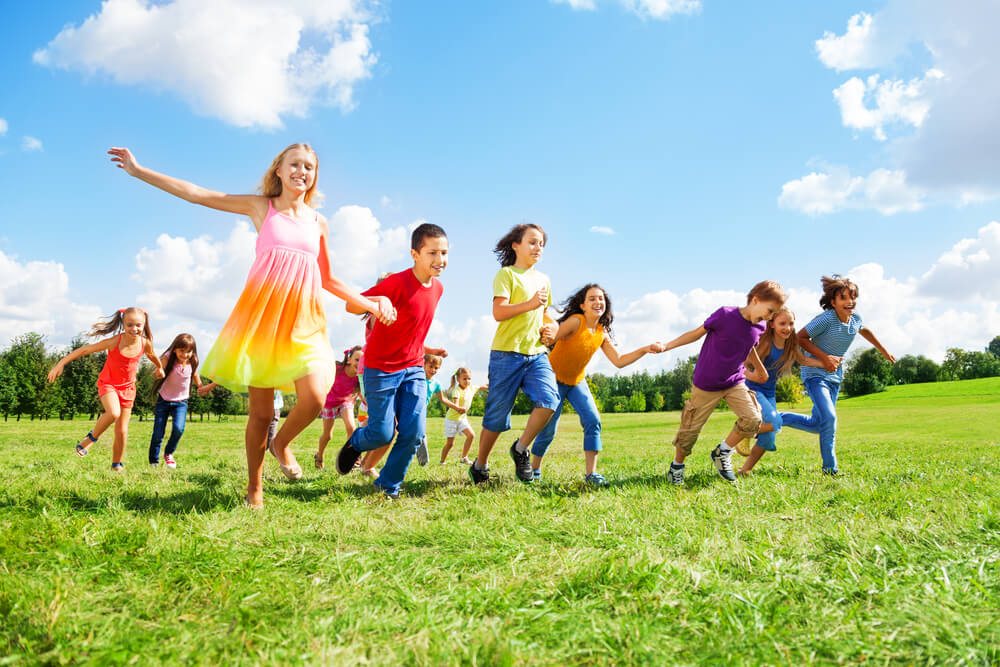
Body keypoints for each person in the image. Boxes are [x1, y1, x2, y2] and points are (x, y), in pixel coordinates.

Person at [108, 144, 395, 507]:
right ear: (279, 169)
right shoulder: (263, 207)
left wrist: (372, 303)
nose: (301, 172)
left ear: (314, 175)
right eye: (294, 164)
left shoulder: (319, 221)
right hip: (264, 321)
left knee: (315, 398)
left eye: (309, 167)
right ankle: (254, 489)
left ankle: (281, 443)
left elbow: (330, 279)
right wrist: (139, 171)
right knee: (260, 414)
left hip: (306, 321)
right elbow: (199, 194)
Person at [334, 223, 448, 499]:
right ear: (415, 254)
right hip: (381, 370)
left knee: (414, 432)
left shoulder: (438, 289)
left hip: (413, 369)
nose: (440, 260)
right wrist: (378, 300)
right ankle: (356, 443)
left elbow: (411, 330)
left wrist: (429, 349)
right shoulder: (396, 283)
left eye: (444, 253)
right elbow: (351, 305)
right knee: (382, 434)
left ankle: (388, 485)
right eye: (432, 252)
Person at [531, 284, 664, 485]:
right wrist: (546, 325)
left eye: (601, 298)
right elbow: (554, 336)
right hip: (554, 380)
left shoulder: (601, 332)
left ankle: (591, 474)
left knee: (593, 420)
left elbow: (618, 360)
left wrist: (644, 349)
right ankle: (534, 470)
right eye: (592, 298)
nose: (597, 302)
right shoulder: (577, 321)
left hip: (577, 382)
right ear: (583, 305)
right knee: (548, 429)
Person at [661, 281, 786, 484]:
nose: (770, 317)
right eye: (770, 310)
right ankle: (676, 467)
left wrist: (758, 368)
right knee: (689, 432)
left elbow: (749, 344)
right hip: (706, 383)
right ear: (756, 300)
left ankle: (722, 452)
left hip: (734, 381)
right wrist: (667, 345)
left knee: (753, 418)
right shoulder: (725, 315)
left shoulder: (760, 326)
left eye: (774, 313)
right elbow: (696, 333)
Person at [470, 223, 560, 485]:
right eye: (532, 242)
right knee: (496, 419)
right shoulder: (506, 275)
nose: (538, 247)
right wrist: (530, 303)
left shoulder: (544, 279)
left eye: (541, 244)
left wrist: (551, 328)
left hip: (536, 354)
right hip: (506, 354)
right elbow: (499, 312)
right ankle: (480, 465)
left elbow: (544, 313)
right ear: (516, 245)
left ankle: (520, 448)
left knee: (549, 401)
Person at [780, 275, 895, 475]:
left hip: (834, 377)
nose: (850, 302)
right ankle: (830, 470)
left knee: (819, 424)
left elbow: (864, 330)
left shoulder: (855, 319)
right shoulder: (827, 319)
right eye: (844, 298)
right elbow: (800, 337)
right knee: (830, 418)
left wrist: (883, 350)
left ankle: (774, 418)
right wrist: (824, 358)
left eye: (852, 297)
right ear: (833, 302)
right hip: (815, 374)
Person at [47, 308, 164, 470]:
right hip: (108, 384)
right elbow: (85, 350)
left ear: (144, 325)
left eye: (138, 325)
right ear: (123, 324)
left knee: (122, 431)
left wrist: (160, 368)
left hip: (128, 389)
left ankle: (117, 464)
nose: (134, 329)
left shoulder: (145, 343)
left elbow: (152, 355)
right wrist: (61, 363)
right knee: (113, 413)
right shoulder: (115, 341)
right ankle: (90, 439)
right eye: (129, 325)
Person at [735, 307, 827, 475]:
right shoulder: (765, 344)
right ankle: (741, 432)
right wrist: (751, 376)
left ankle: (744, 470)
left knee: (769, 436)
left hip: (769, 393)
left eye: (791, 323)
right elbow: (742, 363)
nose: (787, 328)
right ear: (772, 325)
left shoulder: (790, 345)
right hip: (754, 389)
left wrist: (824, 363)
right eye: (782, 323)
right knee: (776, 422)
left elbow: (803, 359)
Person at [148, 333, 215, 468]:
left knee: (178, 429)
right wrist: (157, 374)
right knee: (158, 433)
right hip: (164, 399)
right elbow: (158, 370)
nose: (185, 354)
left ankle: (168, 453)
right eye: (181, 351)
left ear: (193, 351)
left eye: (188, 351)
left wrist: (202, 388)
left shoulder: (193, 361)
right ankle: (154, 461)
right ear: (175, 349)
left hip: (181, 402)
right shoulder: (168, 357)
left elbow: (195, 375)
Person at [314, 346, 362, 469]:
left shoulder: (360, 376)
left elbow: (363, 394)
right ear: (349, 359)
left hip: (346, 402)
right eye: (357, 360)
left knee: (351, 427)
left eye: (362, 361)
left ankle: (351, 457)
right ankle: (319, 456)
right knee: (328, 435)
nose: (359, 363)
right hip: (329, 403)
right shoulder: (338, 368)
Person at [439, 367, 488, 465]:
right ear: (458, 379)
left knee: (471, 435)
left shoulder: (471, 388)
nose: (467, 381)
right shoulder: (456, 390)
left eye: (469, 378)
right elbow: (456, 403)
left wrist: (496, 384)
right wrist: (458, 408)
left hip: (462, 419)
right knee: (450, 444)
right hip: (451, 420)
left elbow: (484, 386)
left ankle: (464, 457)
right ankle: (442, 461)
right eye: (464, 379)